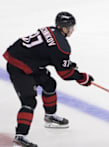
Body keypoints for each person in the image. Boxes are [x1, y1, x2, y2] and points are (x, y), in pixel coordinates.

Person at [3, 12, 94, 147]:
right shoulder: (62, 46)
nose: (72, 30)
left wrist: (67, 64)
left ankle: (50, 116)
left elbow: (46, 53)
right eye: (70, 27)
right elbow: (65, 74)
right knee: (29, 101)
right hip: (19, 66)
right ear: (63, 28)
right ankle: (20, 137)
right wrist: (82, 78)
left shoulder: (50, 30)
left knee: (49, 84)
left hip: (27, 59)